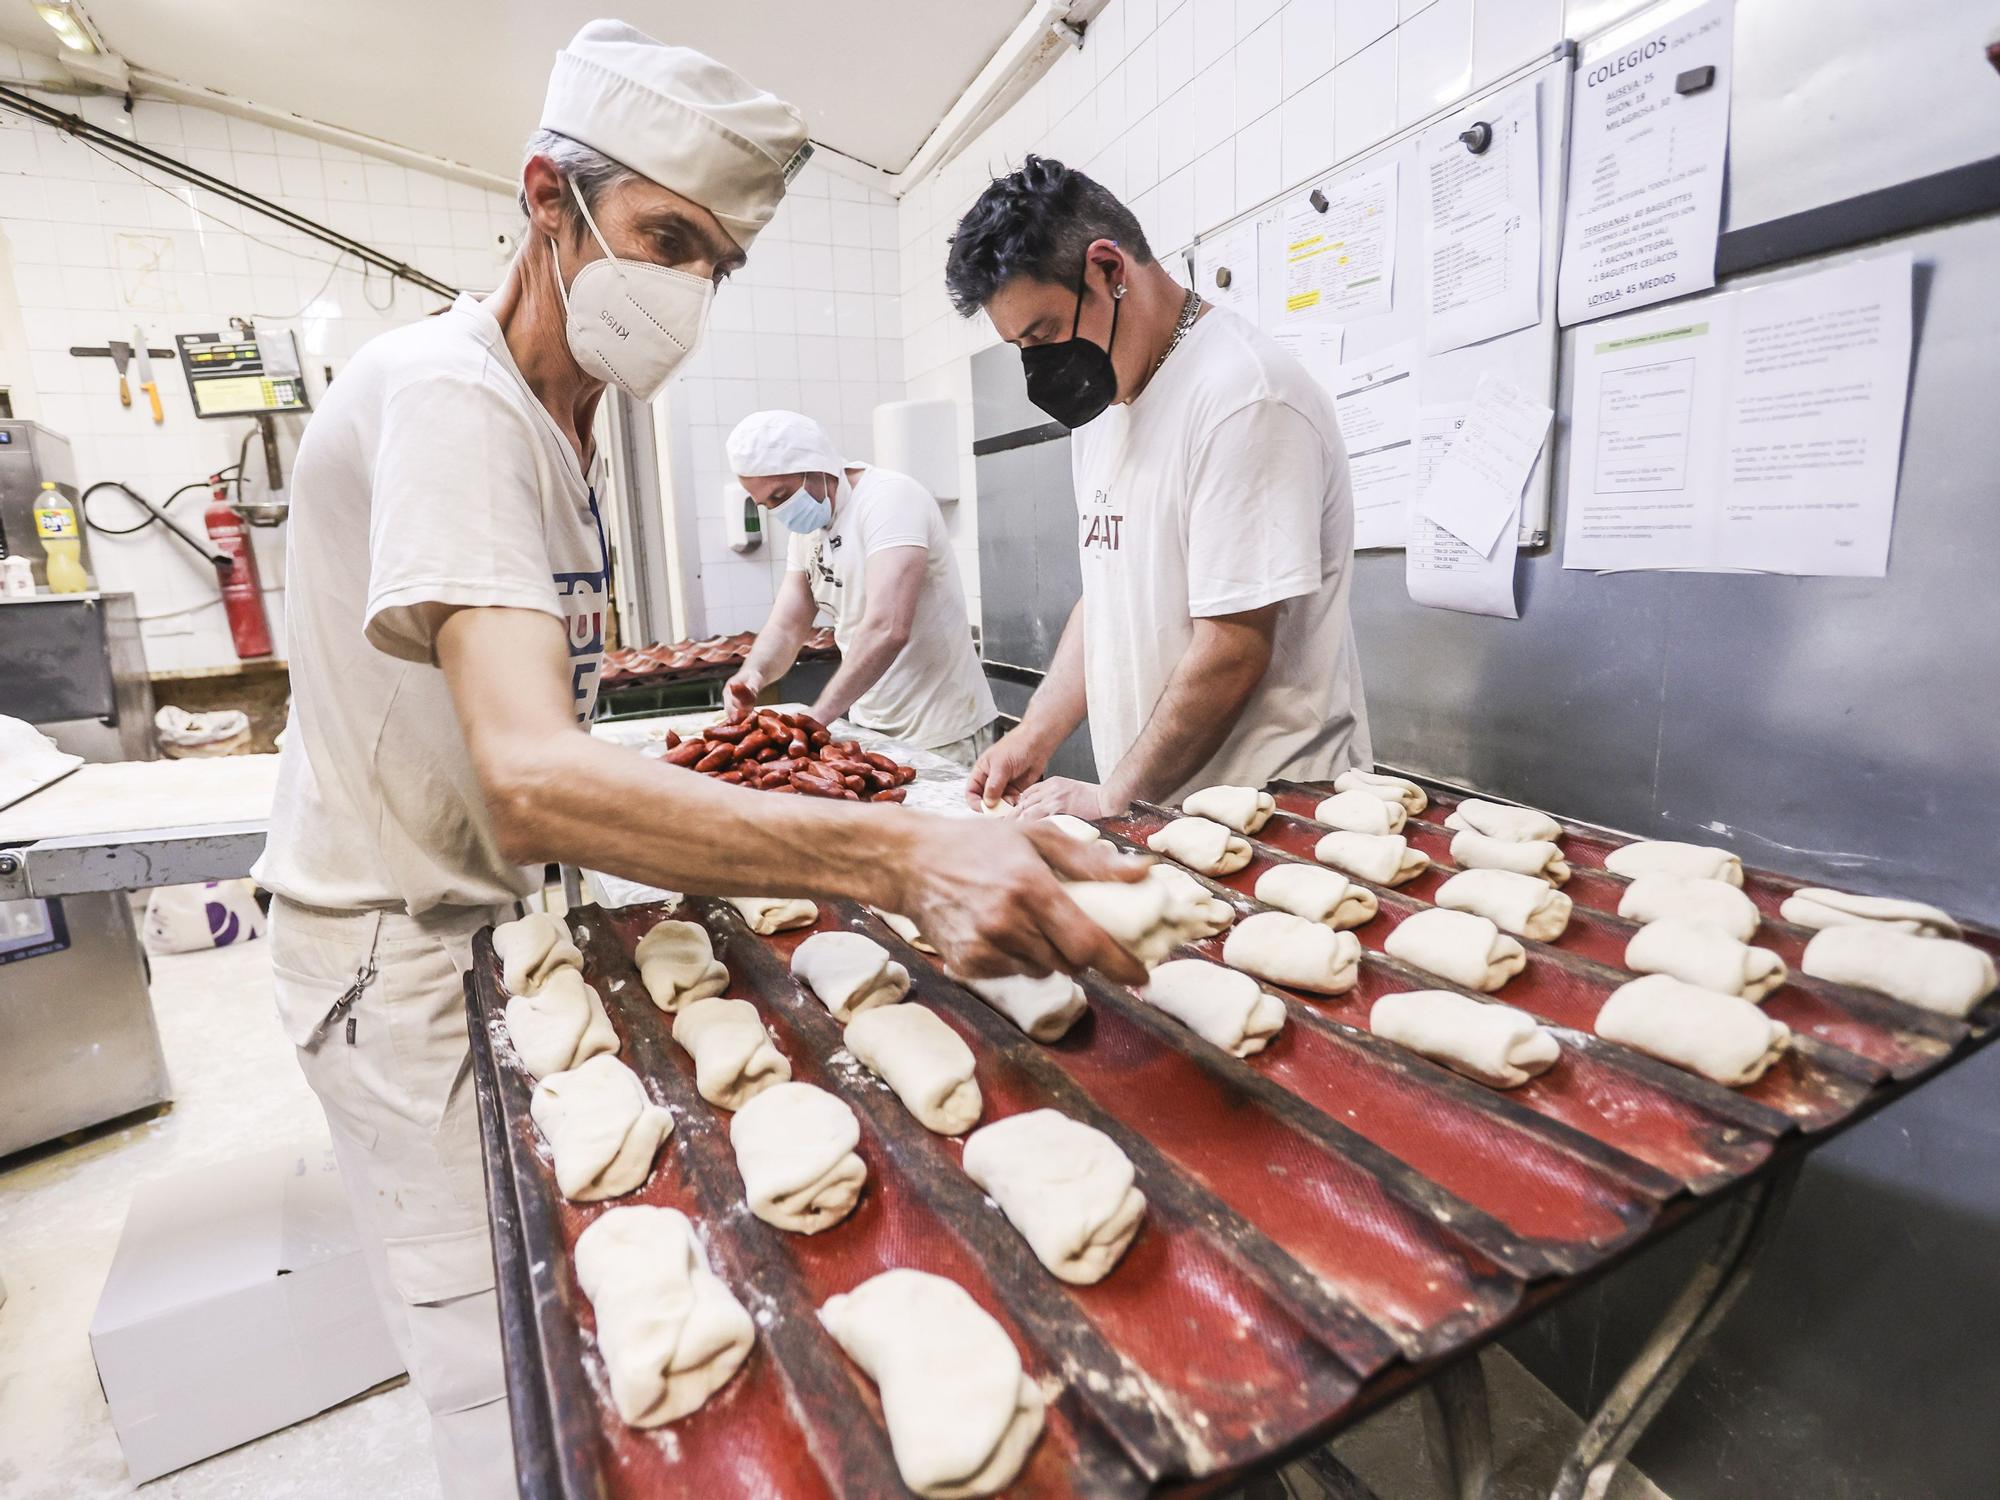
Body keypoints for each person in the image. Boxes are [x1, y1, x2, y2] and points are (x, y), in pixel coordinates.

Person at [252, 32, 1141, 1499]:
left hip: (492, 928)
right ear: (548, 199)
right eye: (665, 240)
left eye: (714, 263)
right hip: (403, 956)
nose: (686, 291)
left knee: (595, 1327)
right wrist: (903, 854)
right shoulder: (453, 399)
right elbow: (533, 773)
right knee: (510, 1372)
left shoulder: (564, 425)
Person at [945, 156, 1373, 821]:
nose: (1044, 367)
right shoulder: (1106, 407)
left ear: (1110, 270)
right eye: (1023, 347)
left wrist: (1115, 795)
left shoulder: (1243, 395)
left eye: (1047, 333)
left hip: (1268, 814)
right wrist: (1036, 733)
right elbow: (1110, 591)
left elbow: (1234, 645)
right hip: (1163, 808)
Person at [720, 410, 998, 765]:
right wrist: (752, 673)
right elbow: (788, 625)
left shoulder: (890, 499)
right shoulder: (807, 532)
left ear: (817, 467)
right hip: (871, 729)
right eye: (767, 505)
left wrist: (816, 718)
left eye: (781, 495)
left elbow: (888, 628)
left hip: (942, 733)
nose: (780, 511)